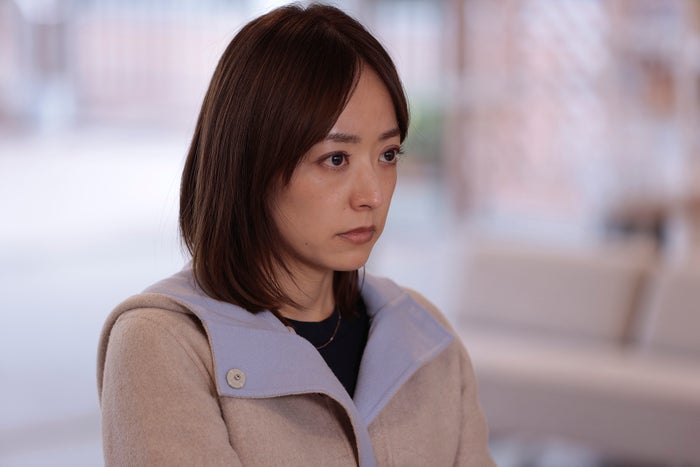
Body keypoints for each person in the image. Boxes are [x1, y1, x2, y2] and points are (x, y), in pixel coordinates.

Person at [97, 3, 495, 466]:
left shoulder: (424, 335)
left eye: (387, 155)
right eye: (335, 159)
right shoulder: (163, 344)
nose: (372, 194)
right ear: (251, 163)